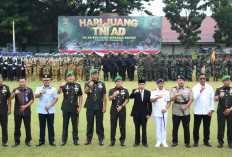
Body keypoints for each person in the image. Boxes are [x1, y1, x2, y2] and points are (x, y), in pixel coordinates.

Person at [58, 71, 83, 146]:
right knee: (65, 124)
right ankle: (64, 140)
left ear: (74, 77)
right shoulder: (64, 85)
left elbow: (80, 96)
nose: (70, 77)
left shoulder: (78, 85)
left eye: (72, 76)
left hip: (75, 107)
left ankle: (75, 140)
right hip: (65, 107)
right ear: (67, 78)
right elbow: (58, 92)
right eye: (69, 76)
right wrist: (60, 86)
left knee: (75, 124)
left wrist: (80, 106)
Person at [84, 69, 107, 146]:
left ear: (98, 75)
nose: (94, 76)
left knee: (99, 124)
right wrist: (89, 86)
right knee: (89, 123)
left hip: (99, 107)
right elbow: (85, 92)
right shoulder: (87, 83)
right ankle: (88, 139)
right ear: (91, 75)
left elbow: (104, 96)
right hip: (90, 106)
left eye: (96, 74)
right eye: (93, 74)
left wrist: (105, 106)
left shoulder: (102, 84)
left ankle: (101, 139)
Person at [35, 74, 58, 147]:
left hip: (50, 110)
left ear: (50, 81)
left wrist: (49, 106)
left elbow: (56, 98)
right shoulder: (39, 88)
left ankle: (51, 140)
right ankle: (41, 140)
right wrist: (41, 93)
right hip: (41, 110)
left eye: (47, 80)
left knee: (51, 126)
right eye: (44, 80)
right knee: (42, 126)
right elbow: (36, 96)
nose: (46, 82)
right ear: (42, 81)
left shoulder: (53, 89)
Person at [170, 75, 193, 148]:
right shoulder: (173, 89)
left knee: (186, 127)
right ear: (177, 81)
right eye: (179, 80)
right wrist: (176, 95)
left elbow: (191, 99)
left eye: (182, 80)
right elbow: (171, 99)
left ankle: (187, 142)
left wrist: (185, 106)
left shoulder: (188, 89)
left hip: (185, 111)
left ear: (184, 81)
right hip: (176, 110)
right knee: (175, 127)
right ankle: (174, 141)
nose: (181, 81)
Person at [11, 77, 34, 147]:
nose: (22, 83)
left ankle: (28, 141)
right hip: (17, 112)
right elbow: (11, 97)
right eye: (21, 82)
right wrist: (14, 93)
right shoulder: (15, 90)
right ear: (18, 83)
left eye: (23, 82)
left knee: (27, 127)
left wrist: (25, 106)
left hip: (27, 112)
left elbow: (32, 100)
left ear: (26, 82)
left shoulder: (29, 90)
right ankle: (17, 141)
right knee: (17, 127)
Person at [192, 73, 215, 147]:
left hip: (207, 111)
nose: (202, 80)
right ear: (198, 79)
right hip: (197, 110)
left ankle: (206, 141)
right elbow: (194, 98)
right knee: (196, 127)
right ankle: (196, 141)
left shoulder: (210, 87)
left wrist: (212, 109)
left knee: (206, 127)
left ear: (205, 79)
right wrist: (200, 91)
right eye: (201, 78)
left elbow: (212, 99)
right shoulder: (195, 87)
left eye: (203, 78)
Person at [130, 79, 152, 147]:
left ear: (145, 85)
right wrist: (134, 93)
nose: (141, 85)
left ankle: (144, 142)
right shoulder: (135, 90)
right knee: (137, 128)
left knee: (144, 128)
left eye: (143, 84)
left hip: (144, 113)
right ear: (138, 85)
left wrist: (149, 113)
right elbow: (130, 97)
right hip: (136, 113)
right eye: (140, 84)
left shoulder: (148, 92)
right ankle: (137, 142)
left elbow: (149, 104)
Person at [108, 76, 129, 146]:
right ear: (115, 82)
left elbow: (127, 99)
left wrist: (122, 106)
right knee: (113, 126)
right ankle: (112, 140)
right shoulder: (112, 90)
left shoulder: (125, 90)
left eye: (119, 81)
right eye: (117, 81)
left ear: (121, 82)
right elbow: (109, 98)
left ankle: (122, 140)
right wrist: (114, 94)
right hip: (114, 109)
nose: (118, 83)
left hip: (122, 110)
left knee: (122, 125)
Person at [150, 78, 171, 147]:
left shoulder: (167, 92)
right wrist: (157, 97)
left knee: (164, 127)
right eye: (159, 83)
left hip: (164, 112)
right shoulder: (154, 91)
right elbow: (151, 100)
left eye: (162, 83)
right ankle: (158, 141)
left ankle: (164, 141)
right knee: (158, 127)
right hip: (156, 112)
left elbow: (168, 102)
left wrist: (166, 109)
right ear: (157, 84)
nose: (161, 85)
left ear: (164, 84)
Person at [215, 75, 232, 148]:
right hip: (221, 110)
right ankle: (220, 141)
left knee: (230, 126)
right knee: (221, 126)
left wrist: (230, 109)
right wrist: (220, 96)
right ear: (222, 81)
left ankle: (230, 142)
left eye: (228, 80)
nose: (226, 82)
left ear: (230, 81)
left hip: (230, 110)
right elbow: (215, 99)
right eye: (225, 81)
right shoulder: (219, 89)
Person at [0, 74, 11, 147]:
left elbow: (9, 99)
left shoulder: (6, 87)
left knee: (4, 126)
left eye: (0, 78)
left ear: (2, 79)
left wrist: (9, 109)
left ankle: (4, 141)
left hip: (3, 110)